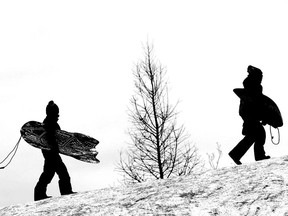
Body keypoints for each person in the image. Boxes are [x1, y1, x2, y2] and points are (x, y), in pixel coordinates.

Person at [229, 66, 270, 165]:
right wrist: (260, 117)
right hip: (250, 116)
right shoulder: (253, 87)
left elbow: (259, 105)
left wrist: (264, 117)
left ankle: (256, 155)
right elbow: (255, 104)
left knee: (257, 135)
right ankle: (237, 154)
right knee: (254, 135)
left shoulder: (254, 86)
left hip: (250, 115)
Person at [34, 101, 74, 201]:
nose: (58, 116)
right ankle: (65, 191)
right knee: (61, 173)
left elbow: (59, 138)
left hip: (51, 152)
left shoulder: (52, 124)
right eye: (56, 114)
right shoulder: (48, 124)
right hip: (50, 153)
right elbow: (50, 139)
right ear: (52, 113)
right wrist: (53, 148)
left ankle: (40, 194)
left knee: (49, 173)